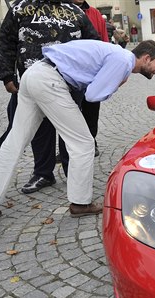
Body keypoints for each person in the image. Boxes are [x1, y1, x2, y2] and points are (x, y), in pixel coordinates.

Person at [0, 40, 155, 219]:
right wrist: (115, 85)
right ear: (146, 58)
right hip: (51, 81)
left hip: (35, 73)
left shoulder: (116, 53)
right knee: (83, 143)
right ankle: (80, 203)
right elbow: (93, 95)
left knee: (16, 140)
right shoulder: (124, 60)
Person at [0, 0, 100, 195]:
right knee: (40, 130)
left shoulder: (74, 10)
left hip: (71, 80)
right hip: (33, 81)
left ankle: (73, 173)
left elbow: (93, 43)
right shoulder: (20, 8)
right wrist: (7, 75)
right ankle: (43, 173)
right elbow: (6, 41)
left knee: (71, 128)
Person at [57, 0, 109, 173]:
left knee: (92, 110)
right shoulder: (60, 10)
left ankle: (91, 141)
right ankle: (68, 151)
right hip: (70, 72)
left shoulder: (94, 13)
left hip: (92, 71)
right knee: (70, 112)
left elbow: (103, 41)